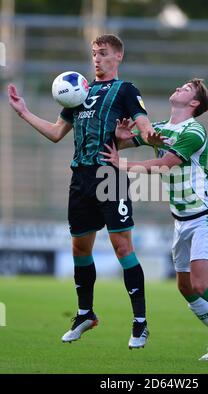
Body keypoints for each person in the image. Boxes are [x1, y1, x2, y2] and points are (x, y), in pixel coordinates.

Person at [101, 78, 208, 363]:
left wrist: (122, 165)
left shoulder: (195, 131)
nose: (179, 88)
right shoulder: (161, 128)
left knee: (201, 284)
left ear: (194, 103)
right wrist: (120, 135)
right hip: (181, 220)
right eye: (180, 86)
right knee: (185, 286)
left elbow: (164, 164)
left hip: (206, 217)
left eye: (187, 89)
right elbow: (124, 143)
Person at [7, 34, 155, 349]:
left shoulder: (125, 90)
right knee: (79, 249)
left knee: (122, 248)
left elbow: (144, 125)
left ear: (118, 56)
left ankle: (140, 323)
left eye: (102, 53)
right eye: (93, 54)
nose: (96, 59)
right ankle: (85, 314)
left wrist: (148, 134)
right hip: (80, 179)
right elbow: (56, 133)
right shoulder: (79, 92)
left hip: (108, 175)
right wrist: (23, 112)